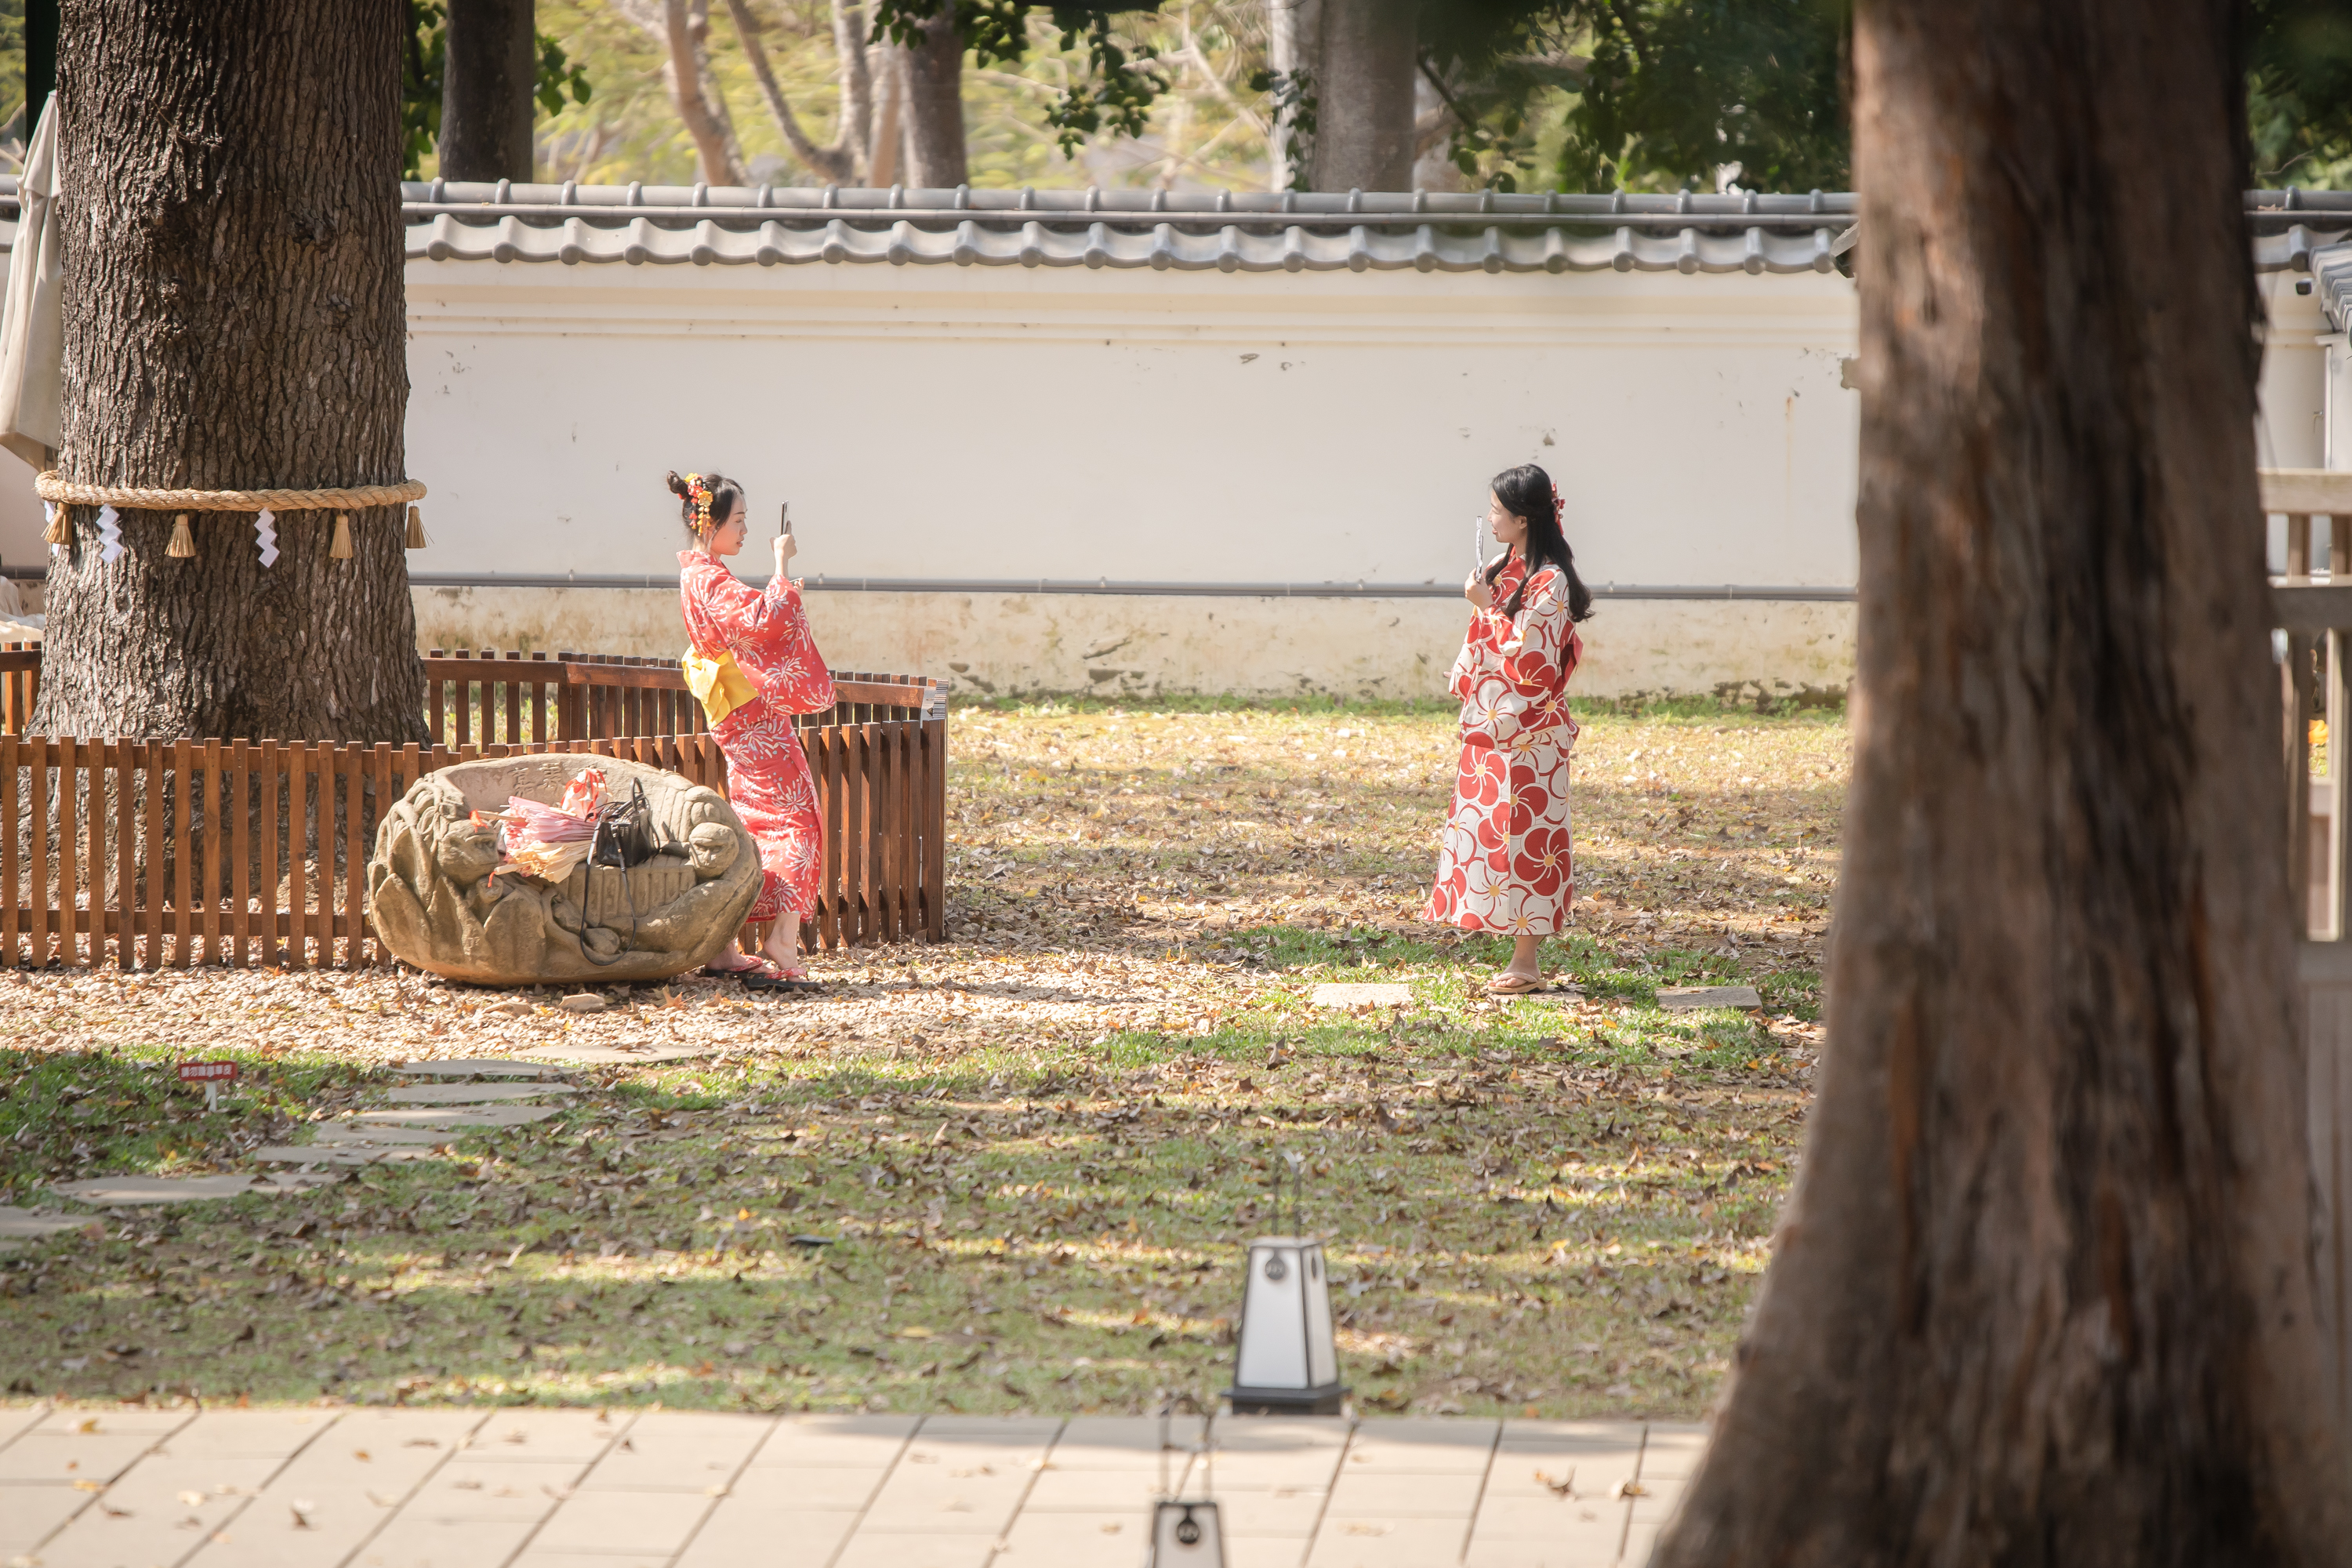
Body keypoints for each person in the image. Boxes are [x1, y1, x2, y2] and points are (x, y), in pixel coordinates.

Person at [1424, 462, 1595, 993]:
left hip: (1532, 731)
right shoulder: (1508, 566)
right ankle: (1505, 942)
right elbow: (1494, 639)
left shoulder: (1552, 582)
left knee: (1529, 835)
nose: (1492, 518)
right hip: (1493, 726)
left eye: (1498, 510)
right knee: (1487, 833)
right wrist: (1487, 600)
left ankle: (1527, 962)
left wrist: (1486, 608)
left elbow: (1533, 663)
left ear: (1523, 519)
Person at [673, 470, 835, 989]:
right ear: (712, 523)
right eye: (738, 521)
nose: (745, 531)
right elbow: (763, 621)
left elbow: (752, 618)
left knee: (751, 818)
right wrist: (782, 566)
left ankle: (723, 946)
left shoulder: (696, 574)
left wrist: (778, 591)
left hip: (732, 713)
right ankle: (781, 939)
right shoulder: (711, 580)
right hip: (752, 716)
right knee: (796, 818)